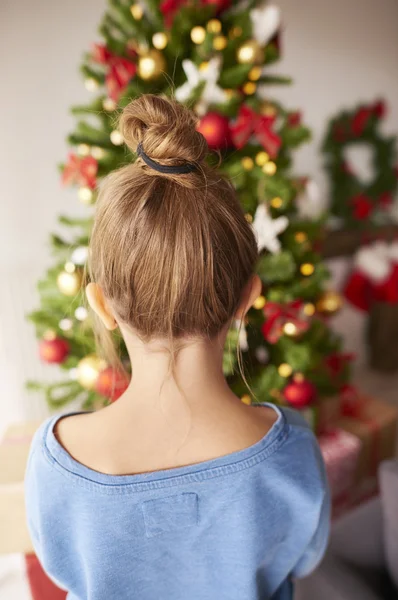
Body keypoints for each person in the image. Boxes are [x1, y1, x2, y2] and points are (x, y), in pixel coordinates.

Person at [24, 94, 330, 600]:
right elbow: (303, 560)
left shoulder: (55, 460)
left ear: (100, 304)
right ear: (246, 299)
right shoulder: (293, 449)